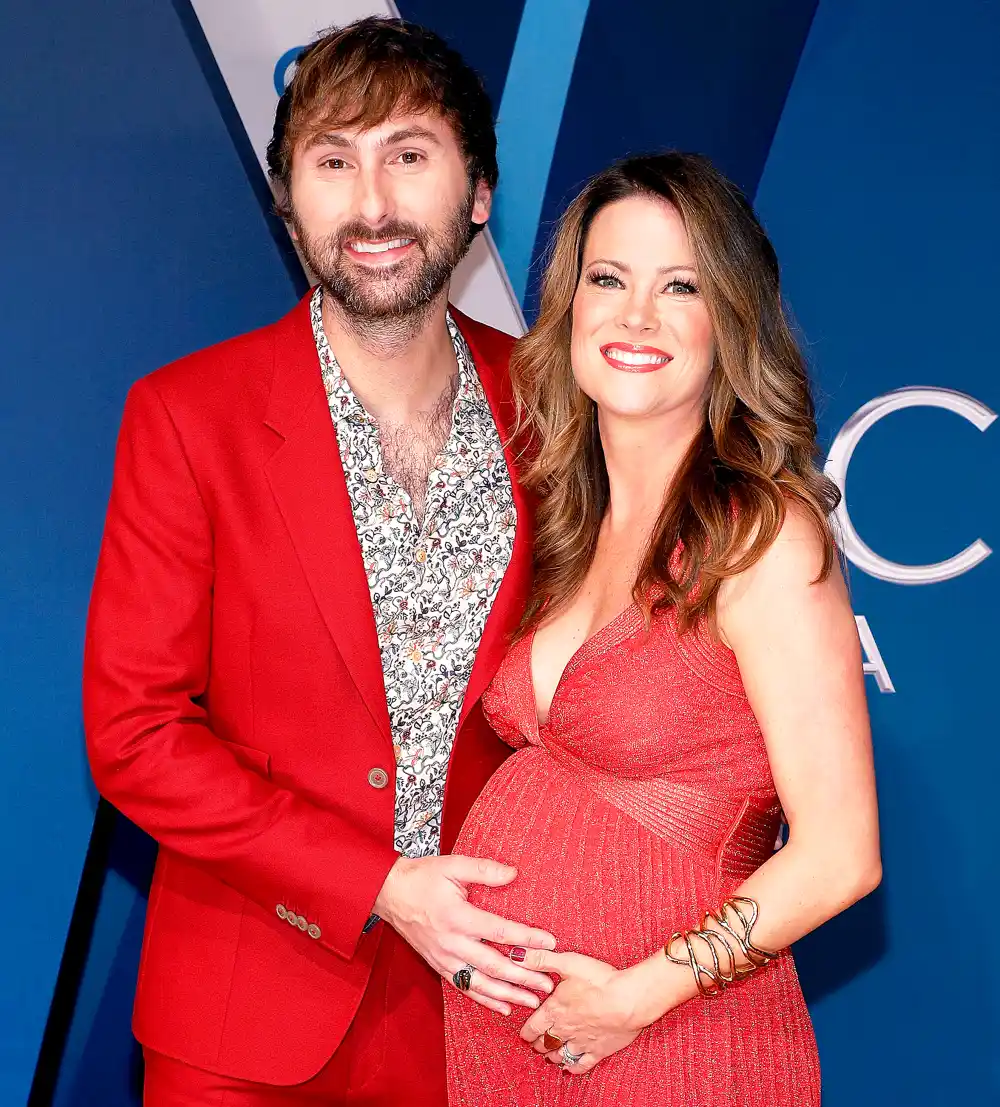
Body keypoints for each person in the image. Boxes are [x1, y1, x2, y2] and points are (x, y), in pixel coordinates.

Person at [83, 18, 558, 1107]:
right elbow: (135, 733)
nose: (374, 204)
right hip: (245, 1020)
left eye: (409, 154)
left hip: (496, 1009)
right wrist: (381, 886)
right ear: (289, 203)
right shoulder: (186, 417)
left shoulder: (557, 409)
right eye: (333, 163)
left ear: (478, 191)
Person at [443, 153, 882, 1105]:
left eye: (679, 285)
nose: (635, 316)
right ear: (570, 309)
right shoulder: (569, 523)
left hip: (672, 1041)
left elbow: (841, 850)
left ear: (726, 321)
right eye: (609, 279)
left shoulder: (760, 532)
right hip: (515, 1049)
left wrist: (637, 997)